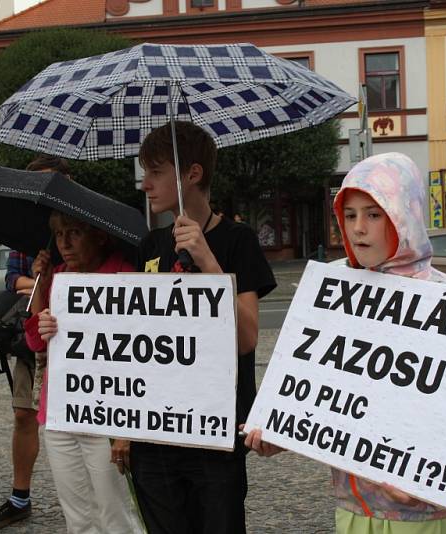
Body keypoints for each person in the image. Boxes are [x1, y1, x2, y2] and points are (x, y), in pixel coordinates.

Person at [246, 152, 446, 534]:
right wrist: (281, 431)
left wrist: (427, 470)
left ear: (404, 215)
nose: (359, 228)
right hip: (356, 512)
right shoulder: (332, 295)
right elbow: (320, 394)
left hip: (430, 520)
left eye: (374, 214)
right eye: (350, 216)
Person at [121, 121, 276, 534]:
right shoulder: (150, 246)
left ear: (193, 174)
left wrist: (208, 262)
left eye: (155, 172)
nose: (145, 184)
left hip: (215, 429)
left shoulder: (236, 240)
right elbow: (133, 338)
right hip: (154, 432)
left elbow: (245, 339)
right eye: (144, 172)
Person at [26, 211, 144, 534]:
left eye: (74, 233)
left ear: (99, 236)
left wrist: (126, 429)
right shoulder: (58, 276)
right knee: (77, 517)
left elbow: (139, 351)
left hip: (107, 413)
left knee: (114, 513)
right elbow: (36, 341)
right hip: (60, 413)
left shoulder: (122, 272)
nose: (64, 242)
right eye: (60, 234)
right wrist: (42, 289)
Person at [0, 154, 71, 531]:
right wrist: (40, 281)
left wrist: (54, 280)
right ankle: (21, 496)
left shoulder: (82, 224)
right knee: (23, 413)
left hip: (79, 336)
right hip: (34, 331)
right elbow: (12, 279)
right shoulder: (26, 231)